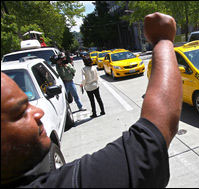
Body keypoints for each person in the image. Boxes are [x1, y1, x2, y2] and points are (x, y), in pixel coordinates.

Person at [1, 12, 182, 187]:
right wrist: (163, 39)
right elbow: (155, 130)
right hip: (89, 87)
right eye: (19, 112)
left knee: (97, 100)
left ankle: (98, 110)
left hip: (92, 87)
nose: (37, 111)